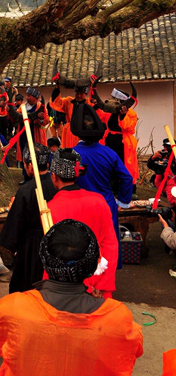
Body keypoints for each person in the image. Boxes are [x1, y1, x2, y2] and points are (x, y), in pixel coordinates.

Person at [0, 220, 143, 376]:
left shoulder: (13, 308)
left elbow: (2, 347)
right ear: (93, 264)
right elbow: (127, 357)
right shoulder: (116, 319)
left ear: (44, 261)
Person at [48, 148, 119, 297]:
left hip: (65, 288)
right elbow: (110, 244)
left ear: (54, 176)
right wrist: (102, 285)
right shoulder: (99, 201)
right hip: (98, 278)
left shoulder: (50, 209)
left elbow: (51, 256)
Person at [72, 102, 133, 266]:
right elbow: (127, 178)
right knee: (107, 242)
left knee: (82, 243)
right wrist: (123, 202)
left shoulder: (72, 154)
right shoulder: (109, 153)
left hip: (80, 204)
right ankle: (108, 275)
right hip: (106, 203)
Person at [0, 144, 56, 293]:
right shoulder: (56, 185)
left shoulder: (26, 190)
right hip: (55, 242)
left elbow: (15, 223)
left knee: (28, 286)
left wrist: (11, 245)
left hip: (31, 245)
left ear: (30, 165)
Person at [93, 84, 139, 185]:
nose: (110, 100)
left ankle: (127, 186)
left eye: (113, 98)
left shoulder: (131, 113)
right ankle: (111, 185)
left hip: (123, 143)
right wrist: (97, 106)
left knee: (124, 165)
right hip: (109, 140)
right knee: (109, 163)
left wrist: (123, 115)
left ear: (119, 100)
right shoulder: (109, 111)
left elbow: (127, 126)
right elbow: (100, 117)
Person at [50, 81, 91, 148]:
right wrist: (57, 87)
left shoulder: (89, 103)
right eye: (77, 93)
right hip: (69, 132)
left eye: (81, 94)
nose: (79, 95)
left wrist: (93, 87)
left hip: (84, 132)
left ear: (86, 94)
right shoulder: (69, 102)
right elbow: (57, 102)